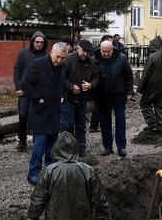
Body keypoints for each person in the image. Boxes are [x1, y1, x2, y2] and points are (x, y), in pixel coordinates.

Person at [27, 131, 111, 220]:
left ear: (56, 150)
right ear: (75, 150)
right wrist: (106, 219)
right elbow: (99, 199)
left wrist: (32, 218)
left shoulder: (49, 171)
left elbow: (38, 199)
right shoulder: (87, 170)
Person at [21, 42, 69, 185]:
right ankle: (33, 173)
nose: (59, 60)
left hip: (54, 111)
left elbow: (62, 84)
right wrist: (37, 98)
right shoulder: (38, 64)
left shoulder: (62, 66)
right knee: (39, 145)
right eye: (58, 57)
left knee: (52, 146)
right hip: (40, 112)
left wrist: (62, 95)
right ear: (51, 52)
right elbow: (25, 84)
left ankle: (50, 171)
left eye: (63, 58)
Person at [94, 40, 134, 157]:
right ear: (100, 50)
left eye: (108, 51)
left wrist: (130, 90)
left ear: (112, 49)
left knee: (120, 122)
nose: (106, 54)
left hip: (119, 95)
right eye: (103, 51)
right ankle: (107, 147)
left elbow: (129, 76)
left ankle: (121, 147)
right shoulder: (95, 60)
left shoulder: (121, 59)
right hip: (102, 96)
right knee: (105, 123)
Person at [61, 39, 99, 156]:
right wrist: (71, 87)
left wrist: (91, 85)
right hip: (68, 99)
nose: (86, 54)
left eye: (88, 52)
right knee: (68, 125)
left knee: (81, 126)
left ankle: (81, 150)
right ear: (78, 48)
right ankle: (68, 151)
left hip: (82, 99)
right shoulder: (68, 59)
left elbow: (96, 77)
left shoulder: (91, 62)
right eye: (84, 51)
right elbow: (61, 77)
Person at [14, 32, 48, 152]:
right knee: (23, 116)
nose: (39, 44)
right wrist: (18, 87)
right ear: (32, 42)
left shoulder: (46, 55)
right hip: (24, 91)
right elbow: (17, 69)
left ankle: (37, 141)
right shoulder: (23, 53)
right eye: (37, 42)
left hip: (39, 92)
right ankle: (22, 141)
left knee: (38, 116)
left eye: (41, 42)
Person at [138, 36, 162, 133]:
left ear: (154, 46)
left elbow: (145, 74)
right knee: (160, 107)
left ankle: (152, 125)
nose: (149, 47)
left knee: (144, 104)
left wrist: (140, 88)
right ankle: (161, 127)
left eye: (151, 45)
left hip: (151, 88)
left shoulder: (152, 57)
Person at [89, 35, 114, 133]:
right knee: (98, 107)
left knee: (99, 107)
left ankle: (96, 125)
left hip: (103, 85)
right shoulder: (96, 54)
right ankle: (94, 126)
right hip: (98, 84)